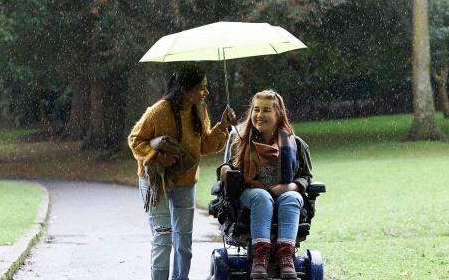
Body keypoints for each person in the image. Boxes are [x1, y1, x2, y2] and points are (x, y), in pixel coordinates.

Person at [128, 64, 235, 280]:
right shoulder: (158, 111)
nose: (206, 92)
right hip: (156, 181)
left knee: (184, 241)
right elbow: (135, 140)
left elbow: (204, 145)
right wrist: (158, 157)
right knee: (163, 236)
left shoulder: (199, 109)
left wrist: (223, 126)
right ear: (186, 88)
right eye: (201, 88)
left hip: (185, 181)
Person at [219, 90, 313, 279]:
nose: (259, 115)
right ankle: (260, 257)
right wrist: (225, 170)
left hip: (285, 193)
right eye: (256, 109)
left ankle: (286, 255)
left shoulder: (296, 144)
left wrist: (290, 187)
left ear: (278, 114)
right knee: (261, 196)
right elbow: (229, 166)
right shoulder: (240, 141)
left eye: (266, 110)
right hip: (250, 196)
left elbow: (306, 177)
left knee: (292, 197)